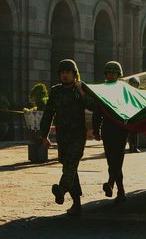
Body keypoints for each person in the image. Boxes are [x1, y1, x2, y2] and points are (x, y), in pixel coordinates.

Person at [40, 59, 95, 216]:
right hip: (62, 136)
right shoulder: (55, 91)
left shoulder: (80, 88)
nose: (65, 75)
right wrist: (44, 135)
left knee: (71, 164)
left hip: (78, 135)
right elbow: (48, 114)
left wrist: (82, 92)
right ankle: (76, 204)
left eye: (68, 72)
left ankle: (62, 189)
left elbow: (93, 106)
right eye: (62, 73)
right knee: (70, 168)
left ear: (74, 74)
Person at [92, 61, 129, 203]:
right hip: (108, 129)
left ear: (118, 74)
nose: (110, 75)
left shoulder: (124, 89)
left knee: (117, 160)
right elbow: (97, 112)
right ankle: (119, 189)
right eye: (108, 73)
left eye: (113, 73)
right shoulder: (102, 89)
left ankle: (113, 185)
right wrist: (96, 130)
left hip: (120, 129)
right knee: (111, 160)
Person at [127, 76, 141, 153]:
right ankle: (130, 147)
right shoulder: (127, 92)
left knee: (135, 132)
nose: (133, 85)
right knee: (130, 132)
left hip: (136, 113)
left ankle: (135, 147)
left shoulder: (138, 92)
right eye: (132, 84)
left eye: (135, 84)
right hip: (129, 114)